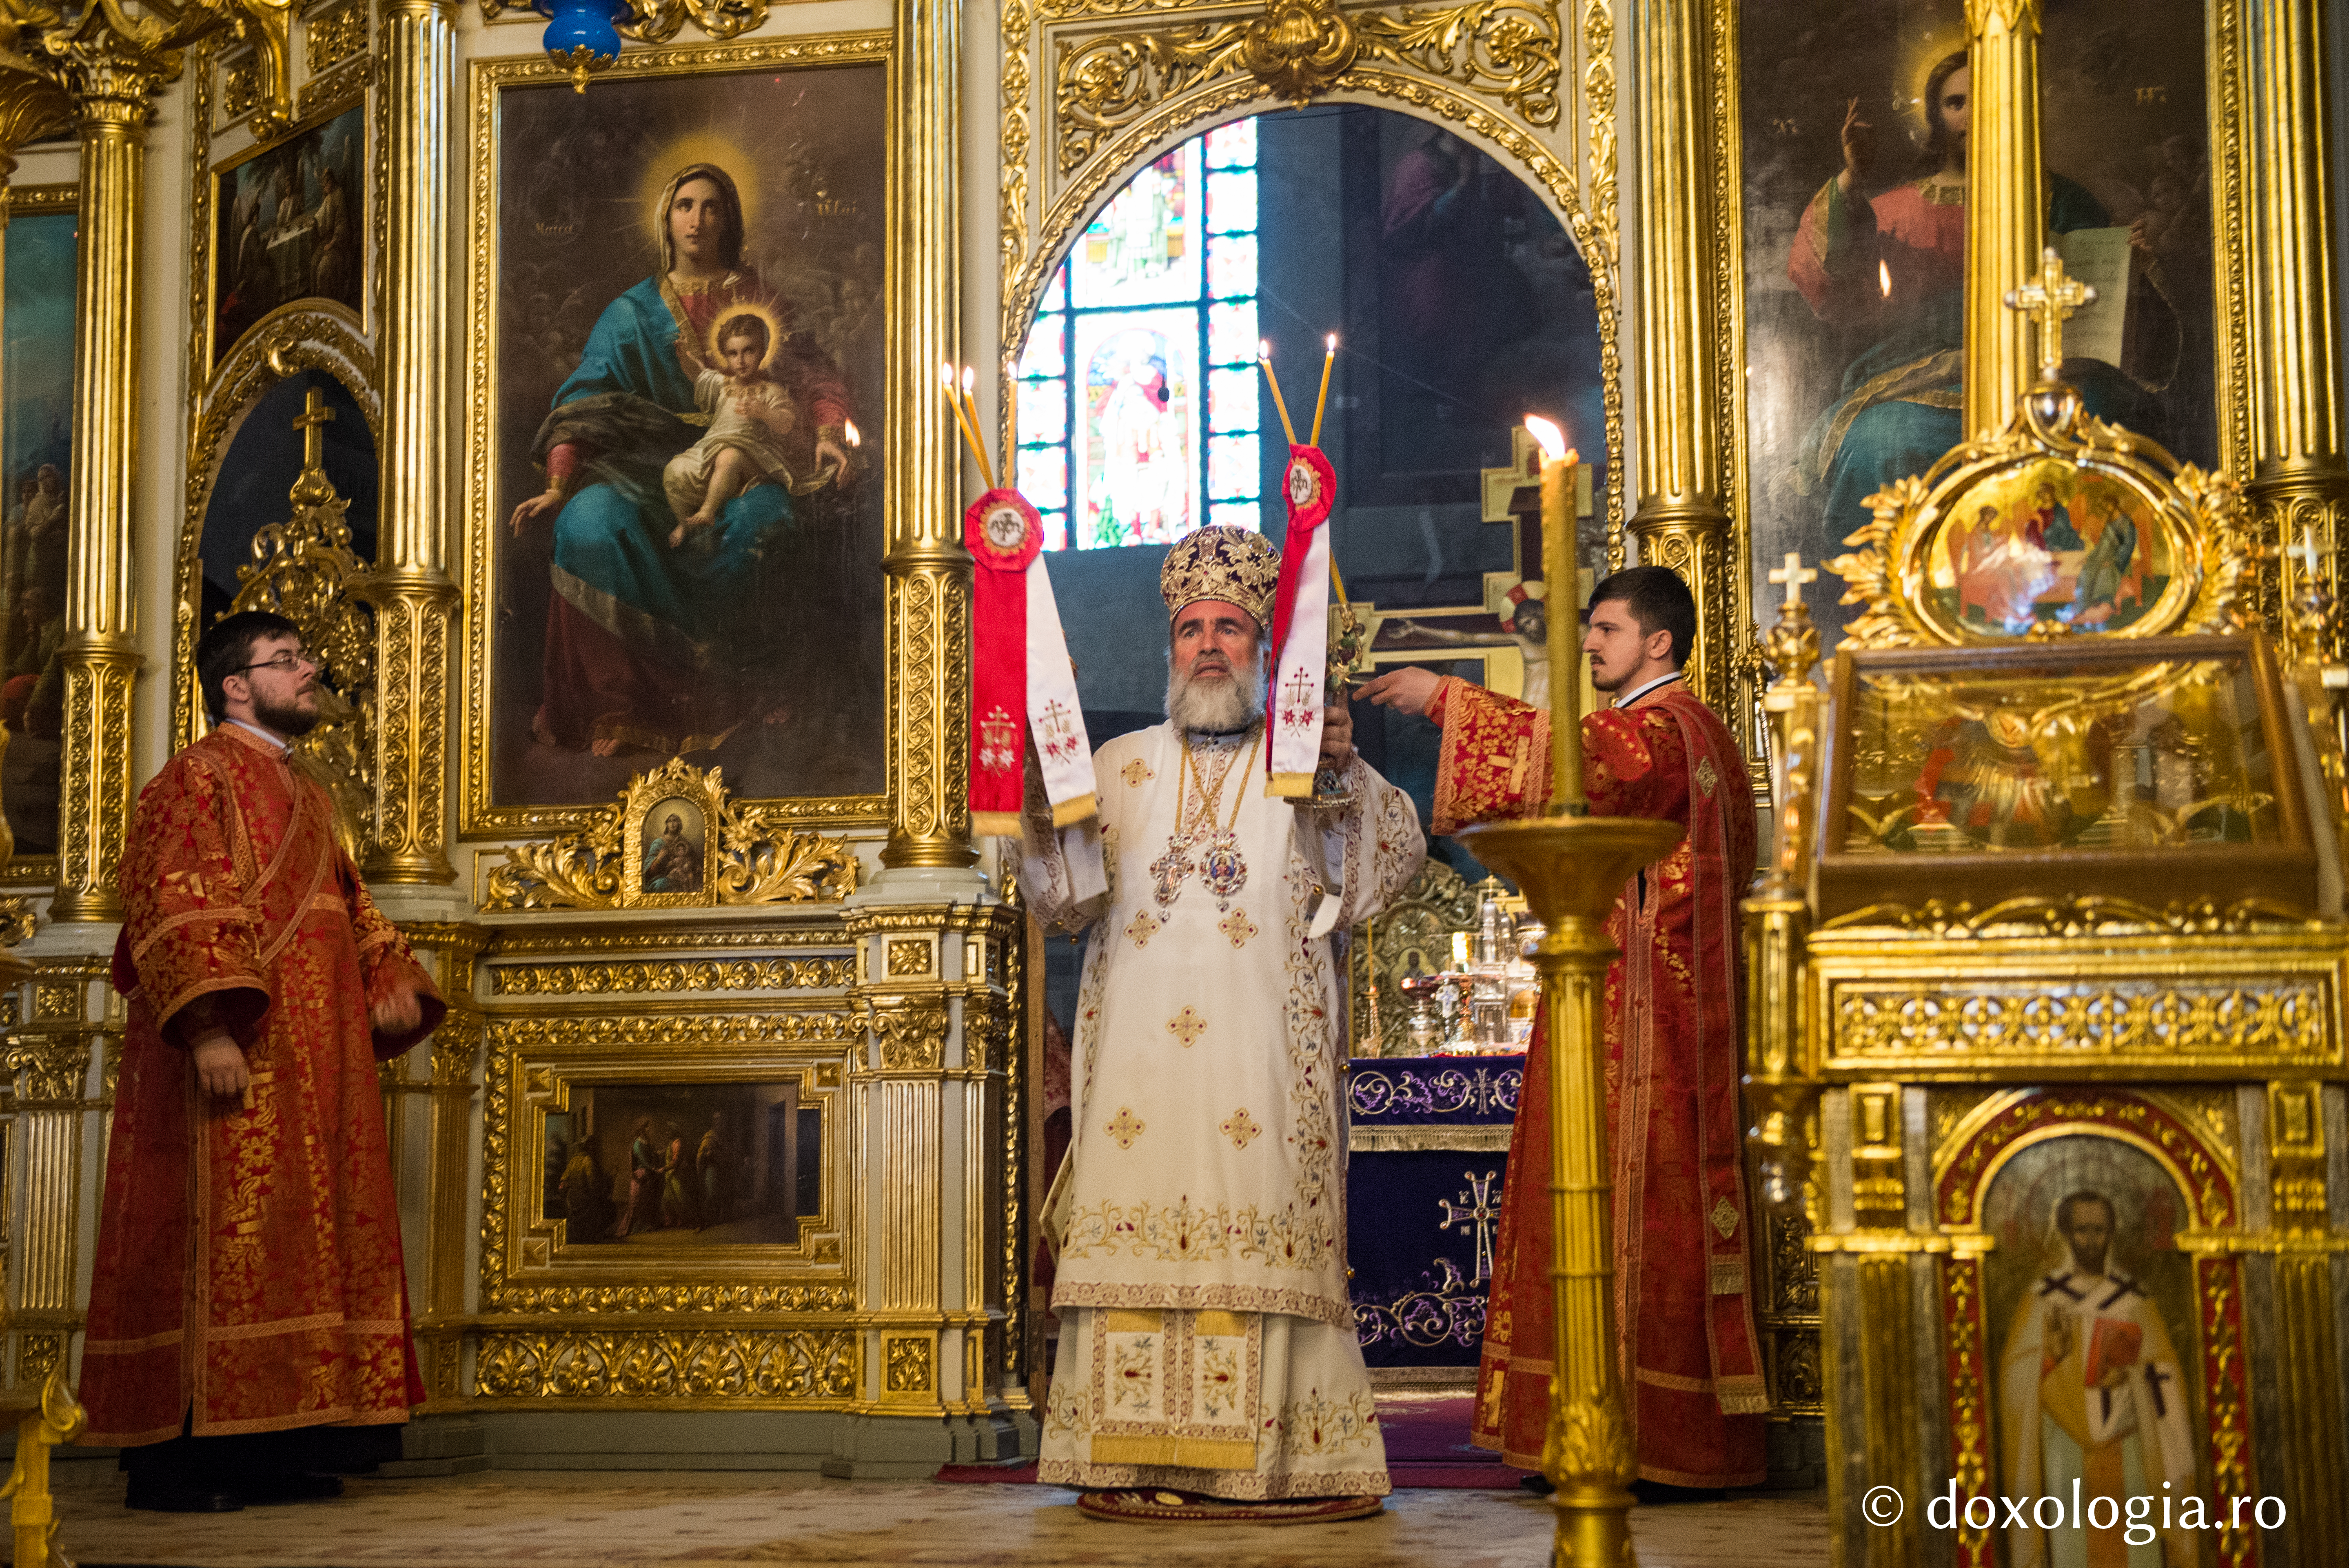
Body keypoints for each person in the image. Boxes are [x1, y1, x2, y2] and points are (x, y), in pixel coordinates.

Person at [1020, 526, 1427, 1521]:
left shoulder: (1303, 767)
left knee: (1262, 1235)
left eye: (1232, 629)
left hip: (1262, 1070)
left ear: (1261, 648)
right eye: (1192, 629)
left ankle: (1281, 1465)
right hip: (1137, 1079)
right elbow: (1061, 898)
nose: (1209, 645)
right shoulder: (1114, 766)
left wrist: (1341, 777)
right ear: (1170, 647)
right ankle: (1128, 1456)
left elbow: (1380, 871)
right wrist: (1034, 794)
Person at [1358, 564, 1768, 1495]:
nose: (1589, 644)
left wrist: (1445, 701)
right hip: (1640, 1003)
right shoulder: (1704, 736)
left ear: (1658, 643)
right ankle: (1604, 1429)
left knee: (1621, 1210)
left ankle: (1633, 1439)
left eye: (1608, 630)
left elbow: (1586, 762)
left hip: (1634, 1025)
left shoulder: (1666, 731)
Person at [80, 610, 446, 1512]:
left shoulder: (310, 794)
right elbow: (169, 898)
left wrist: (391, 976)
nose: (310, 670)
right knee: (219, 1240)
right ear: (235, 684)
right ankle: (178, 1465)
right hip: (237, 1051)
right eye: (287, 661)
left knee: (299, 1245)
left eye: (306, 658)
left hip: (321, 1064)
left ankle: (276, 1449)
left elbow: (354, 911)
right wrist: (207, 1024)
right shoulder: (190, 781)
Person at [507, 163, 855, 758]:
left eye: (711, 206)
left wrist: (827, 430)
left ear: (730, 219)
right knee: (589, 525)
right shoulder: (631, 313)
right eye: (685, 205)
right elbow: (583, 402)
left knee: (761, 525)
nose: (698, 219)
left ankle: (741, 691)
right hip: (646, 463)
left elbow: (813, 372)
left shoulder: (761, 299)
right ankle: (622, 705)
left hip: (748, 458)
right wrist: (561, 484)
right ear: (665, 220)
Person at [1786, 54, 2168, 562]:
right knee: (1879, 440)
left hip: (2050, 369)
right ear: (1936, 116)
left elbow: (2103, 293)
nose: (1970, 114)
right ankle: (1887, 608)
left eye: (1983, 98)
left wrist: (2131, 269)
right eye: (1955, 102)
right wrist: (1853, 181)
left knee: (2108, 416)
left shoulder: (2061, 199)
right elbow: (1835, 287)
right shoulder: (1898, 207)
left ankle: (2098, 604)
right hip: (1919, 374)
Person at [1998, 1191, 2195, 1568]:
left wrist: (2133, 1374)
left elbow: (2165, 1373)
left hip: (2130, 1444)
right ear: (2065, 1234)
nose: (2091, 1240)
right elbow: (2014, 1381)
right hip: (2063, 1445)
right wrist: (2050, 1356)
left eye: (2099, 1230)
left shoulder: (2134, 1300)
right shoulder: (2043, 1299)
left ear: (2112, 1233)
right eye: (2082, 1230)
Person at [663, 313, 806, 549]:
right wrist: (684, 357)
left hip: (752, 457)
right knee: (675, 470)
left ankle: (708, 511)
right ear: (726, 356)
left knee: (729, 456)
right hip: (711, 450)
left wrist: (764, 413)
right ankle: (685, 522)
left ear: (762, 352)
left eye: (749, 351)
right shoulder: (723, 385)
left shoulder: (771, 391)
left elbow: (787, 423)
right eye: (733, 354)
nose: (741, 361)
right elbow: (699, 375)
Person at [615, 1118, 665, 1237]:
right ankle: (635, 1227)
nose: (650, 1130)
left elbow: (651, 1155)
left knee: (647, 1202)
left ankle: (646, 1225)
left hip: (648, 1175)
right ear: (643, 1129)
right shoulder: (638, 1143)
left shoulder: (646, 1143)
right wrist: (654, 1168)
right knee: (637, 1203)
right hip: (641, 1176)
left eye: (649, 1127)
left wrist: (659, 1153)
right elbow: (643, 1159)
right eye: (647, 1127)